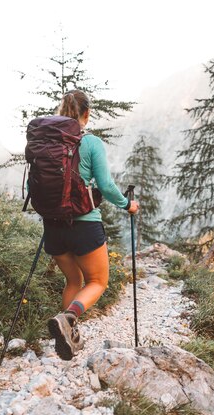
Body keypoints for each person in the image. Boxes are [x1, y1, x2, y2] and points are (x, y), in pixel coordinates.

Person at [46, 89, 138, 361]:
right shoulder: (91, 143)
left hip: (52, 227)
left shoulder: (45, 144)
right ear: (87, 113)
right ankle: (69, 317)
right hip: (84, 225)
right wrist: (127, 205)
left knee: (73, 279)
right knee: (98, 281)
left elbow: (30, 186)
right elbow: (106, 186)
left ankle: (68, 337)